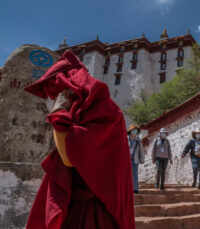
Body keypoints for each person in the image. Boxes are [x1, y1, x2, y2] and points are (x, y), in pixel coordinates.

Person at [24, 50, 135, 229]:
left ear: (68, 88)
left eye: (54, 92)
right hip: (74, 206)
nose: (51, 98)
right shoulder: (85, 111)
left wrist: (57, 114)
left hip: (92, 213)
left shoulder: (105, 114)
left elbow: (68, 158)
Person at [128, 124, 145, 194]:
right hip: (126, 160)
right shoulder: (125, 139)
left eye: (136, 130)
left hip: (135, 159)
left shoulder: (138, 140)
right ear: (130, 131)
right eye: (133, 130)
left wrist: (142, 159)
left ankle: (135, 188)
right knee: (127, 175)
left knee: (134, 174)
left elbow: (141, 150)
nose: (134, 131)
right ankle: (127, 188)